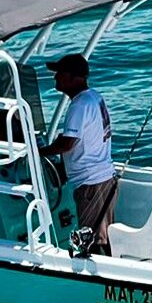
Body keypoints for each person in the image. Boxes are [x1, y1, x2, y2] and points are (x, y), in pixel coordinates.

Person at [38, 53, 117, 256]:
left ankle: (101, 281)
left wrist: (37, 152)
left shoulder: (79, 105)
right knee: (105, 236)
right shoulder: (94, 97)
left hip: (91, 184)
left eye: (60, 73)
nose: (55, 78)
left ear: (74, 77)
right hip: (104, 178)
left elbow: (68, 144)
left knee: (92, 241)